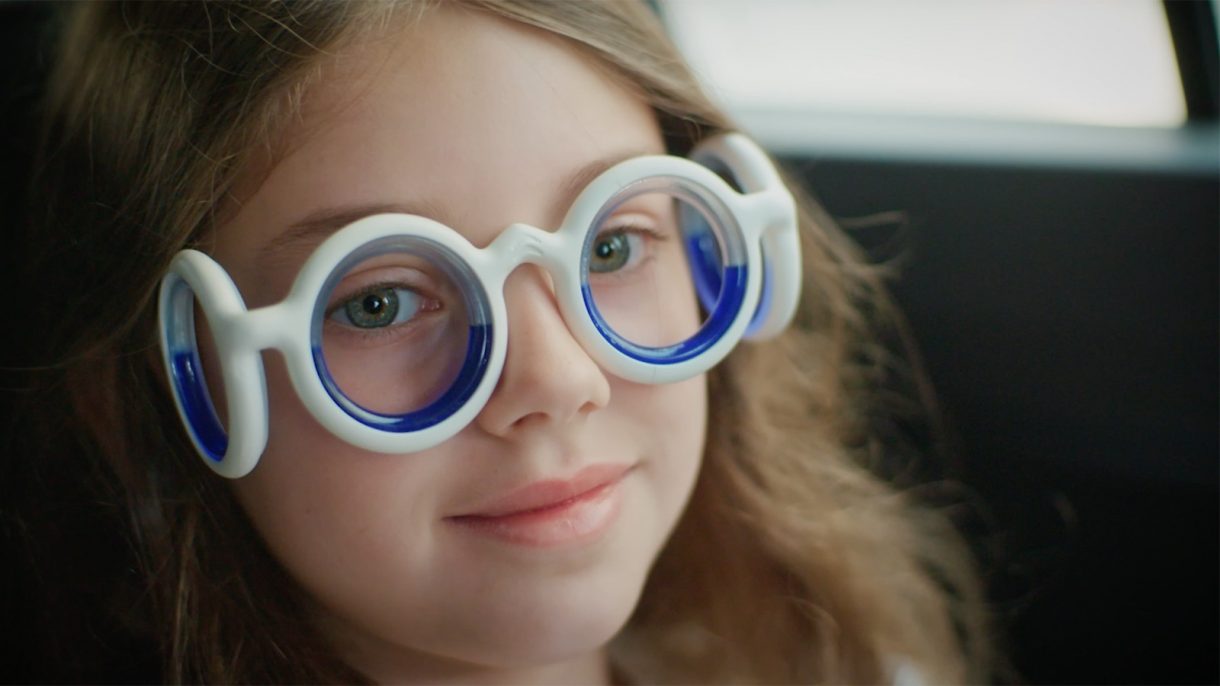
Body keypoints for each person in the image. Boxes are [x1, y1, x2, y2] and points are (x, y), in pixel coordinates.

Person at [6, 1, 993, 682]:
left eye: (611, 245)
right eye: (379, 302)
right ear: (159, 390)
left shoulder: (829, 665)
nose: (557, 379)